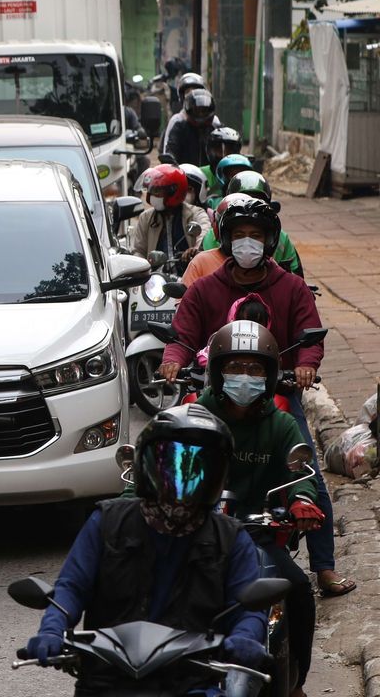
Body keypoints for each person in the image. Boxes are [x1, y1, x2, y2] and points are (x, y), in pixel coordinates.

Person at [160, 198, 354, 602]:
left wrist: (304, 365)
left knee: (308, 475)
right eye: (239, 236)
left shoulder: (291, 287)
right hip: (215, 398)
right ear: (226, 241)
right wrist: (173, 359)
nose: (247, 243)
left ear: (269, 243)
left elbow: (310, 336)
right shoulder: (206, 289)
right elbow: (182, 335)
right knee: (174, 462)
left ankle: (325, 567)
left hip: (275, 396)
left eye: (256, 236)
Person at [22, 404, 268, 696]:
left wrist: (245, 637)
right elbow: (71, 588)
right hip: (108, 680)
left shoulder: (231, 538)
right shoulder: (107, 522)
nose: (183, 482)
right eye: (171, 466)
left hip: (192, 682)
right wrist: (52, 628)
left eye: (198, 470)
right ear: (146, 466)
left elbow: (248, 608)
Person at [192, 320, 325, 696]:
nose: (244, 377)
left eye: (254, 369)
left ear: (268, 376)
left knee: (298, 589)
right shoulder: (196, 417)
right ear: (217, 372)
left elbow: (301, 472)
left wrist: (302, 501)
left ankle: (296, 681)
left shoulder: (280, 424)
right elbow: (158, 465)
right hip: (199, 531)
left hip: (256, 534)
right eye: (235, 367)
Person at [195, 171, 303, 277]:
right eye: (238, 235)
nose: (250, 206)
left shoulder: (281, 238)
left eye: (256, 235)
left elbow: (296, 276)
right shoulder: (211, 237)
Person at [128, 164, 210, 262]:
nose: (152, 195)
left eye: (157, 191)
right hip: (155, 275)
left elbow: (204, 232)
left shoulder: (196, 213)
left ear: (173, 191)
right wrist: (142, 265)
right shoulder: (145, 218)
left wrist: (196, 249)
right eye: (151, 190)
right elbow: (139, 250)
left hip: (188, 273)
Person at [164, 88, 220, 168]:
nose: (200, 114)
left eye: (204, 111)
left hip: (211, 177)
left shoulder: (216, 130)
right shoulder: (179, 128)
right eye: (197, 110)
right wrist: (170, 158)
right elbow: (172, 147)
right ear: (189, 110)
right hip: (184, 175)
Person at [161, 72, 209, 149]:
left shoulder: (213, 120)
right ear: (182, 96)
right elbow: (168, 151)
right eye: (187, 92)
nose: (192, 94)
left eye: (196, 91)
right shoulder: (176, 120)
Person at [202, 127, 244, 200]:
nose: (224, 155)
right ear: (209, 151)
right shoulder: (201, 173)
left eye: (229, 151)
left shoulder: (243, 175)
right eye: (219, 150)